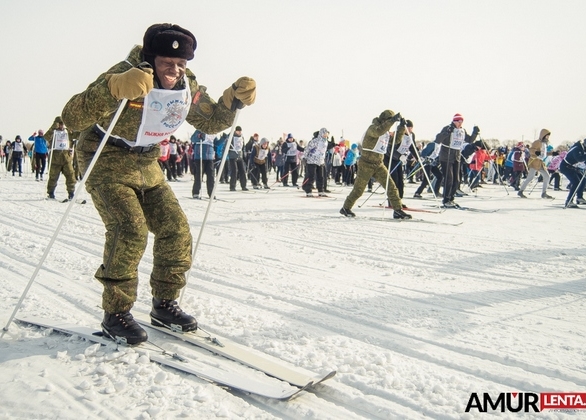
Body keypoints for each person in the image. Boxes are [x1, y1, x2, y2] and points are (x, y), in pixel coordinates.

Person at [61, 23, 256, 345]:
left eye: (181, 64)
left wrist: (232, 101)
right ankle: (116, 312)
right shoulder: (126, 73)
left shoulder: (185, 84)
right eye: (167, 62)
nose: (174, 70)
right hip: (106, 156)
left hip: (146, 162)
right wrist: (112, 89)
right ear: (151, 58)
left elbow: (209, 122)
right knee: (129, 229)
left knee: (175, 230)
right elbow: (72, 118)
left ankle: (164, 303)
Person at [340, 110, 411, 219]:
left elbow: (395, 140)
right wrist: (392, 121)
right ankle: (346, 207)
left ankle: (397, 210)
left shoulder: (386, 132)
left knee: (391, 187)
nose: (390, 124)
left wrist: (401, 127)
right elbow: (378, 132)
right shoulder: (373, 128)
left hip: (379, 164)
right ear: (384, 120)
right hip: (366, 164)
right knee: (359, 189)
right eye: (388, 121)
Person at [434, 113, 479, 208]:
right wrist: (447, 132)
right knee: (449, 178)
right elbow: (438, 139)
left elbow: (469, 140)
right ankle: (446, 199)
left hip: (456, 156)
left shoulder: (462, 130)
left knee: (457, 179)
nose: (460, 123)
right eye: (458, 121)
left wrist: (475, 132)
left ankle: (451, 198)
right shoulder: (447, 128)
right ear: (454, 121)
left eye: (461, 121)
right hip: (446, 156)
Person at [43, 116, 77, 200]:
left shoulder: (68, 131)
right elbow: (46, 137)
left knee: (71, 175)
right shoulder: (53, 132)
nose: (61, 126)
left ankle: (71, 193)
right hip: (55, 158)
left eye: (63, 124)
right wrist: (53, 127)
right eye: (60, 124)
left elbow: (76, 135)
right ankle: (51, 193)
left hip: (66, 158)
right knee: (53, 177)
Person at [517, 129, 553, 199]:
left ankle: (544, 193)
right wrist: (536, 153)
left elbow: (544, 154)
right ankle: (521, 191)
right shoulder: (537, 142)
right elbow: (531, 150)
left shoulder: (545, 144)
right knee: (530, 177)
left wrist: (552, 153)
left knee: (547, 176)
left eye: (548, 136)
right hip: (534, 162)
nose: (548, 137)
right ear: (544, 135)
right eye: (547, 135)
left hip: (541, 163)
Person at [302, 128, 329, 196]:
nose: (326, 135)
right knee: (311, 176)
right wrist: (304, 157)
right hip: (312, 160)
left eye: (327, 134)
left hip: (320, 161)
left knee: (321, 176)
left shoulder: (326, 142)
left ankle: (321, 190)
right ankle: (308, 191)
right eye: (325, 134)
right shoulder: (315, 141)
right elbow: (307, 149)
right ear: (321, 133)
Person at [559, 139, 586, 208]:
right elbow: (579, 159)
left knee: (583, 180)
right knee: (576, 182)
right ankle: (569, 201)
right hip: (565, 167)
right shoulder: (577, 149)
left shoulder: (581, 148)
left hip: (572, 167)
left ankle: (579, 198)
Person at [191, 131, 216, 198]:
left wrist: (223, 139)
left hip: (210, 157)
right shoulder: (199, 130)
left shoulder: (213, 132)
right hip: (200, 156)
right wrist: (199, 136)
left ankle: (211, 193)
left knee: (211, 175)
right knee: (199, 175)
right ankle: (196, 192)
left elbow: (216, 143)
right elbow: (192, 139)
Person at [228, 126, 248, 191]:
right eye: (238, 131)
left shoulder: (242, 137)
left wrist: (244, 155)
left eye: (240, 131)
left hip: (240, 156)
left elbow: (243, 147)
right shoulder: (231, 136)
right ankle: (232, 186)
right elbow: (226, 146)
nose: (239, 132)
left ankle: (244, 186)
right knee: (234, 171)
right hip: (232, 156)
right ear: (235, 131)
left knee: (242, 170)